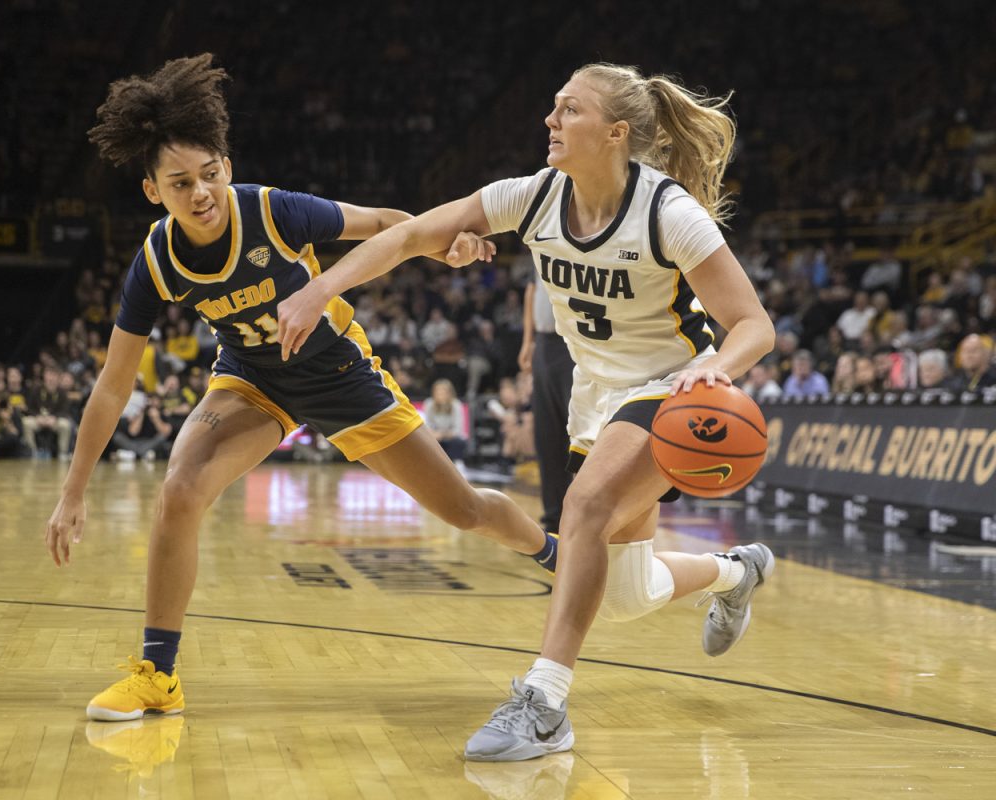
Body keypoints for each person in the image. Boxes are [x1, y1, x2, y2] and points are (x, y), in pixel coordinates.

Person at [278, 62, 777, 762]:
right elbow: (410, 234)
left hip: (669, 390)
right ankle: (737, 571)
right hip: (595, 397)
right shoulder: (532, 196)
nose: (550, 120)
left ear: (615, 132)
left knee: (583, 509)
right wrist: (319, 288)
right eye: (552, 106)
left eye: (568, 110)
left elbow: (754, 325)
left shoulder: (668, 212)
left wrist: (712, 366)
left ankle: (543, 704)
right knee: (629, 595)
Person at [44, 55, 558, 723]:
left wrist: (445, 245)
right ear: (152, 192)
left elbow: (381, 224)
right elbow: (112, 387)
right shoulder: (155, 261)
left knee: (463, 510)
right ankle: (158, 677)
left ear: (225, 165)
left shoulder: (271, 212)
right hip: (252, 381)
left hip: (341, 377)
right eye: (179, 183)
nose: (199, 192)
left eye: (209, 174)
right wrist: (73, 491)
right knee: (180, 490)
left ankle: (555, 553)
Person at [520, 272, 575, 533]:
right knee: (547, 436)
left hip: (578, 341)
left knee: (581, 434)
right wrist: (528, 341)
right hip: (544, 342)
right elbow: (532, 291)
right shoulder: (540, 234)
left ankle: (588, 520)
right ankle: (553, 520)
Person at [422, 378, 468, 462]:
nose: (440, 395)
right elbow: (426, 426)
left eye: (443, 392)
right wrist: (435, 434)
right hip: (435, 437)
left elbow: (458, 430)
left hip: (451, 437)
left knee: (458, 442)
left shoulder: (456, 405)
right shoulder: (428, 403)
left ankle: (458, 463)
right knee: (428, 442)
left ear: (449, 393)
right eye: (438, 392)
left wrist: (443, 434)